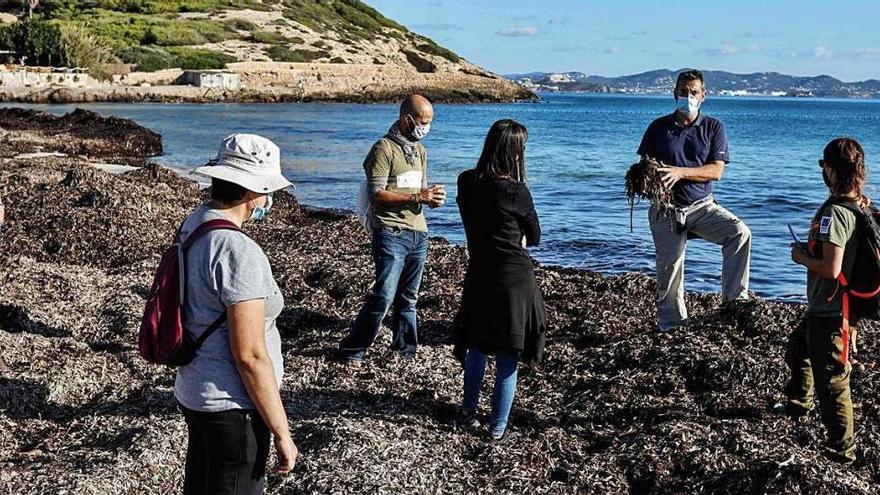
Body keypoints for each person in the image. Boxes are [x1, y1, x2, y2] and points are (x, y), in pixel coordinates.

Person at [177, 134, 298, 494]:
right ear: (253, 192)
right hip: (233, 405)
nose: (270, 199)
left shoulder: (196, 222)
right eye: (268, 189)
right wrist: (282, 432)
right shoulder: (237, 250)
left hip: (195, 390)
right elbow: (249, 354)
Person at [636, 69, 752, 332]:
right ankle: (672, 325)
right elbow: (644, 165)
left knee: (740, 234)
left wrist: (681, 173)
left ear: (703, 95)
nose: (687, 97)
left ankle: (734, 303)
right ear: (674, 93)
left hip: (702, 206)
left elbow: (716, 170)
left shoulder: (713, 128)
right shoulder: (658, 127)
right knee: (670, 267)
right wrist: (648, 178)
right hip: (666, 209)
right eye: (682, 92)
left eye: (693, 92)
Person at [455, 119, 546, 440]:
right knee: (509, 355)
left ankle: (467, 412)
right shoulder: (517, 191)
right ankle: (496, 429)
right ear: (514, 152)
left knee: (478, 347)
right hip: (514, 279)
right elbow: (534, 236)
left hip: (479, 272)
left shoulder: (465, 182)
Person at [337, 95, 445, 363]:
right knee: (384, 295)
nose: (426, 128)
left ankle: (405, 350)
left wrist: (430, 198)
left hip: (419, 232)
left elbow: (419, 189)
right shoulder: (383, 149)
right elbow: (377, 195)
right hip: (391, 233)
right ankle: (354, 347)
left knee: (409, 298)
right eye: (423, 122)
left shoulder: (420, 151)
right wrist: (418, 197)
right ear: (406, 119)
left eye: (429, 123)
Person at [783, 137, 868, 464]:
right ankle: (798, 404)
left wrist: (800, 257)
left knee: (833, 382)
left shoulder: (836, 213)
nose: (823, 172)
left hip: (831, 311)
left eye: (823, 166)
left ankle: (841, 450)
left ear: (832, 171)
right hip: (832, 308)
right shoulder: (858, 204)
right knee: (798, 349)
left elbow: (832, 269)